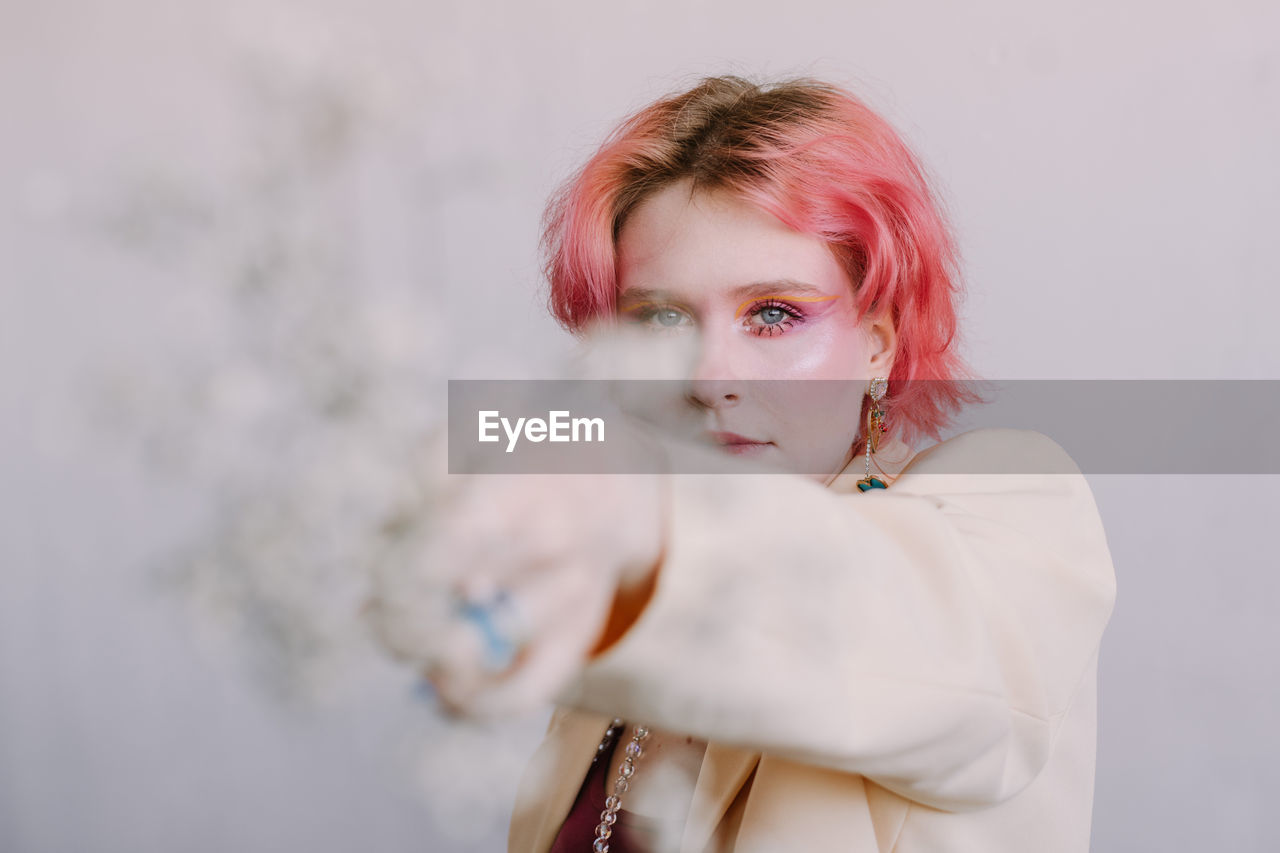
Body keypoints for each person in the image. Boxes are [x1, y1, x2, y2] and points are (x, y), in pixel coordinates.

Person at [366, 75, 1117, 852]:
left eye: (773, 314)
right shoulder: (615, 642)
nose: (706, 376)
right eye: (659, 321)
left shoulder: (1011, 504)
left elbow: (898, 639)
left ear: (878, 343)